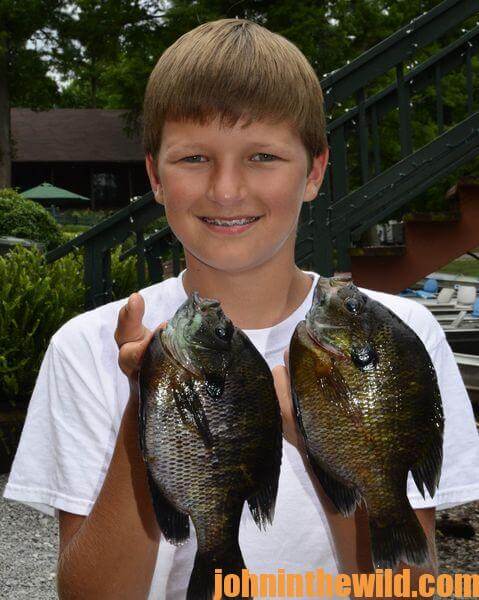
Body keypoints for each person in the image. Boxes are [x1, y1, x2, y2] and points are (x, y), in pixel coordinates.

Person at [4, 17, 479, 600]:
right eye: (194, 158)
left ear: (315, 171)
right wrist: (150, 402)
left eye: (262, 157)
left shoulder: (401, 337)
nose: (227, 190)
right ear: (155, 175)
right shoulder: (85, 347)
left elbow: (408, 592)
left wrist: (317, 442)